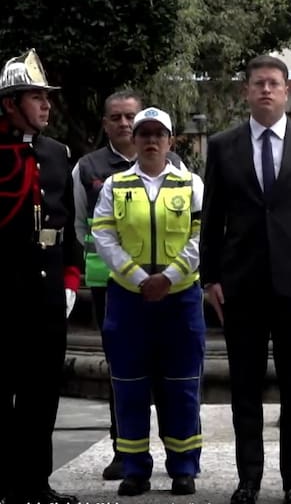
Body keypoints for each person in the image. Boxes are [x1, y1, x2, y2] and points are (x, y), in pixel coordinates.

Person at [200, 55, 291, 504]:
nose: (266, 90)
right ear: (246, 91)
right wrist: (210, 277)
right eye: (258, 83)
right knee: (244, 386)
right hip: (240, 283)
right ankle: (248, 478)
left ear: (287, 91)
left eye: (274, 83)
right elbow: (212, 219)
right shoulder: (223, 145)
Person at [92, 107, 205, 497]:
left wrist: (169, 277)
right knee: (129, 386)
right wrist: (140, 279)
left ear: (171, 141)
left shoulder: (191, 184)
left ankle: (184, 467)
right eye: (144, 134)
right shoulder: (115, 185)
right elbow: (103, 235)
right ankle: (135, 468)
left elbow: (202, 236)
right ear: (135, 139)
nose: (151, 140)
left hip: (180, 299)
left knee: (182, 386)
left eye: (159, 134)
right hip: (129, 299)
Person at [72, 89, 184, 481]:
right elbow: (82, 226)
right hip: (113, 284)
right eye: (116, 117)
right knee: (121, 368)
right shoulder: (88, 167)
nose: (123, 123)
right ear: (106, 124)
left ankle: (176, 453)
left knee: (170, 369)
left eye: (129, 117)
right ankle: (124, 449)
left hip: (170, 285)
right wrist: (122, 267)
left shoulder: (175, 166)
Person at [0, 49, 80, 504]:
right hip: (3, 293)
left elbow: (65, 225)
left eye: (47, 97)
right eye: (36, 96)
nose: (47, 105)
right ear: (10, 103)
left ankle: (35, 483)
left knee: (42, 393)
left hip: (46, 294)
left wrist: (69, 280)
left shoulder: (57, 153)